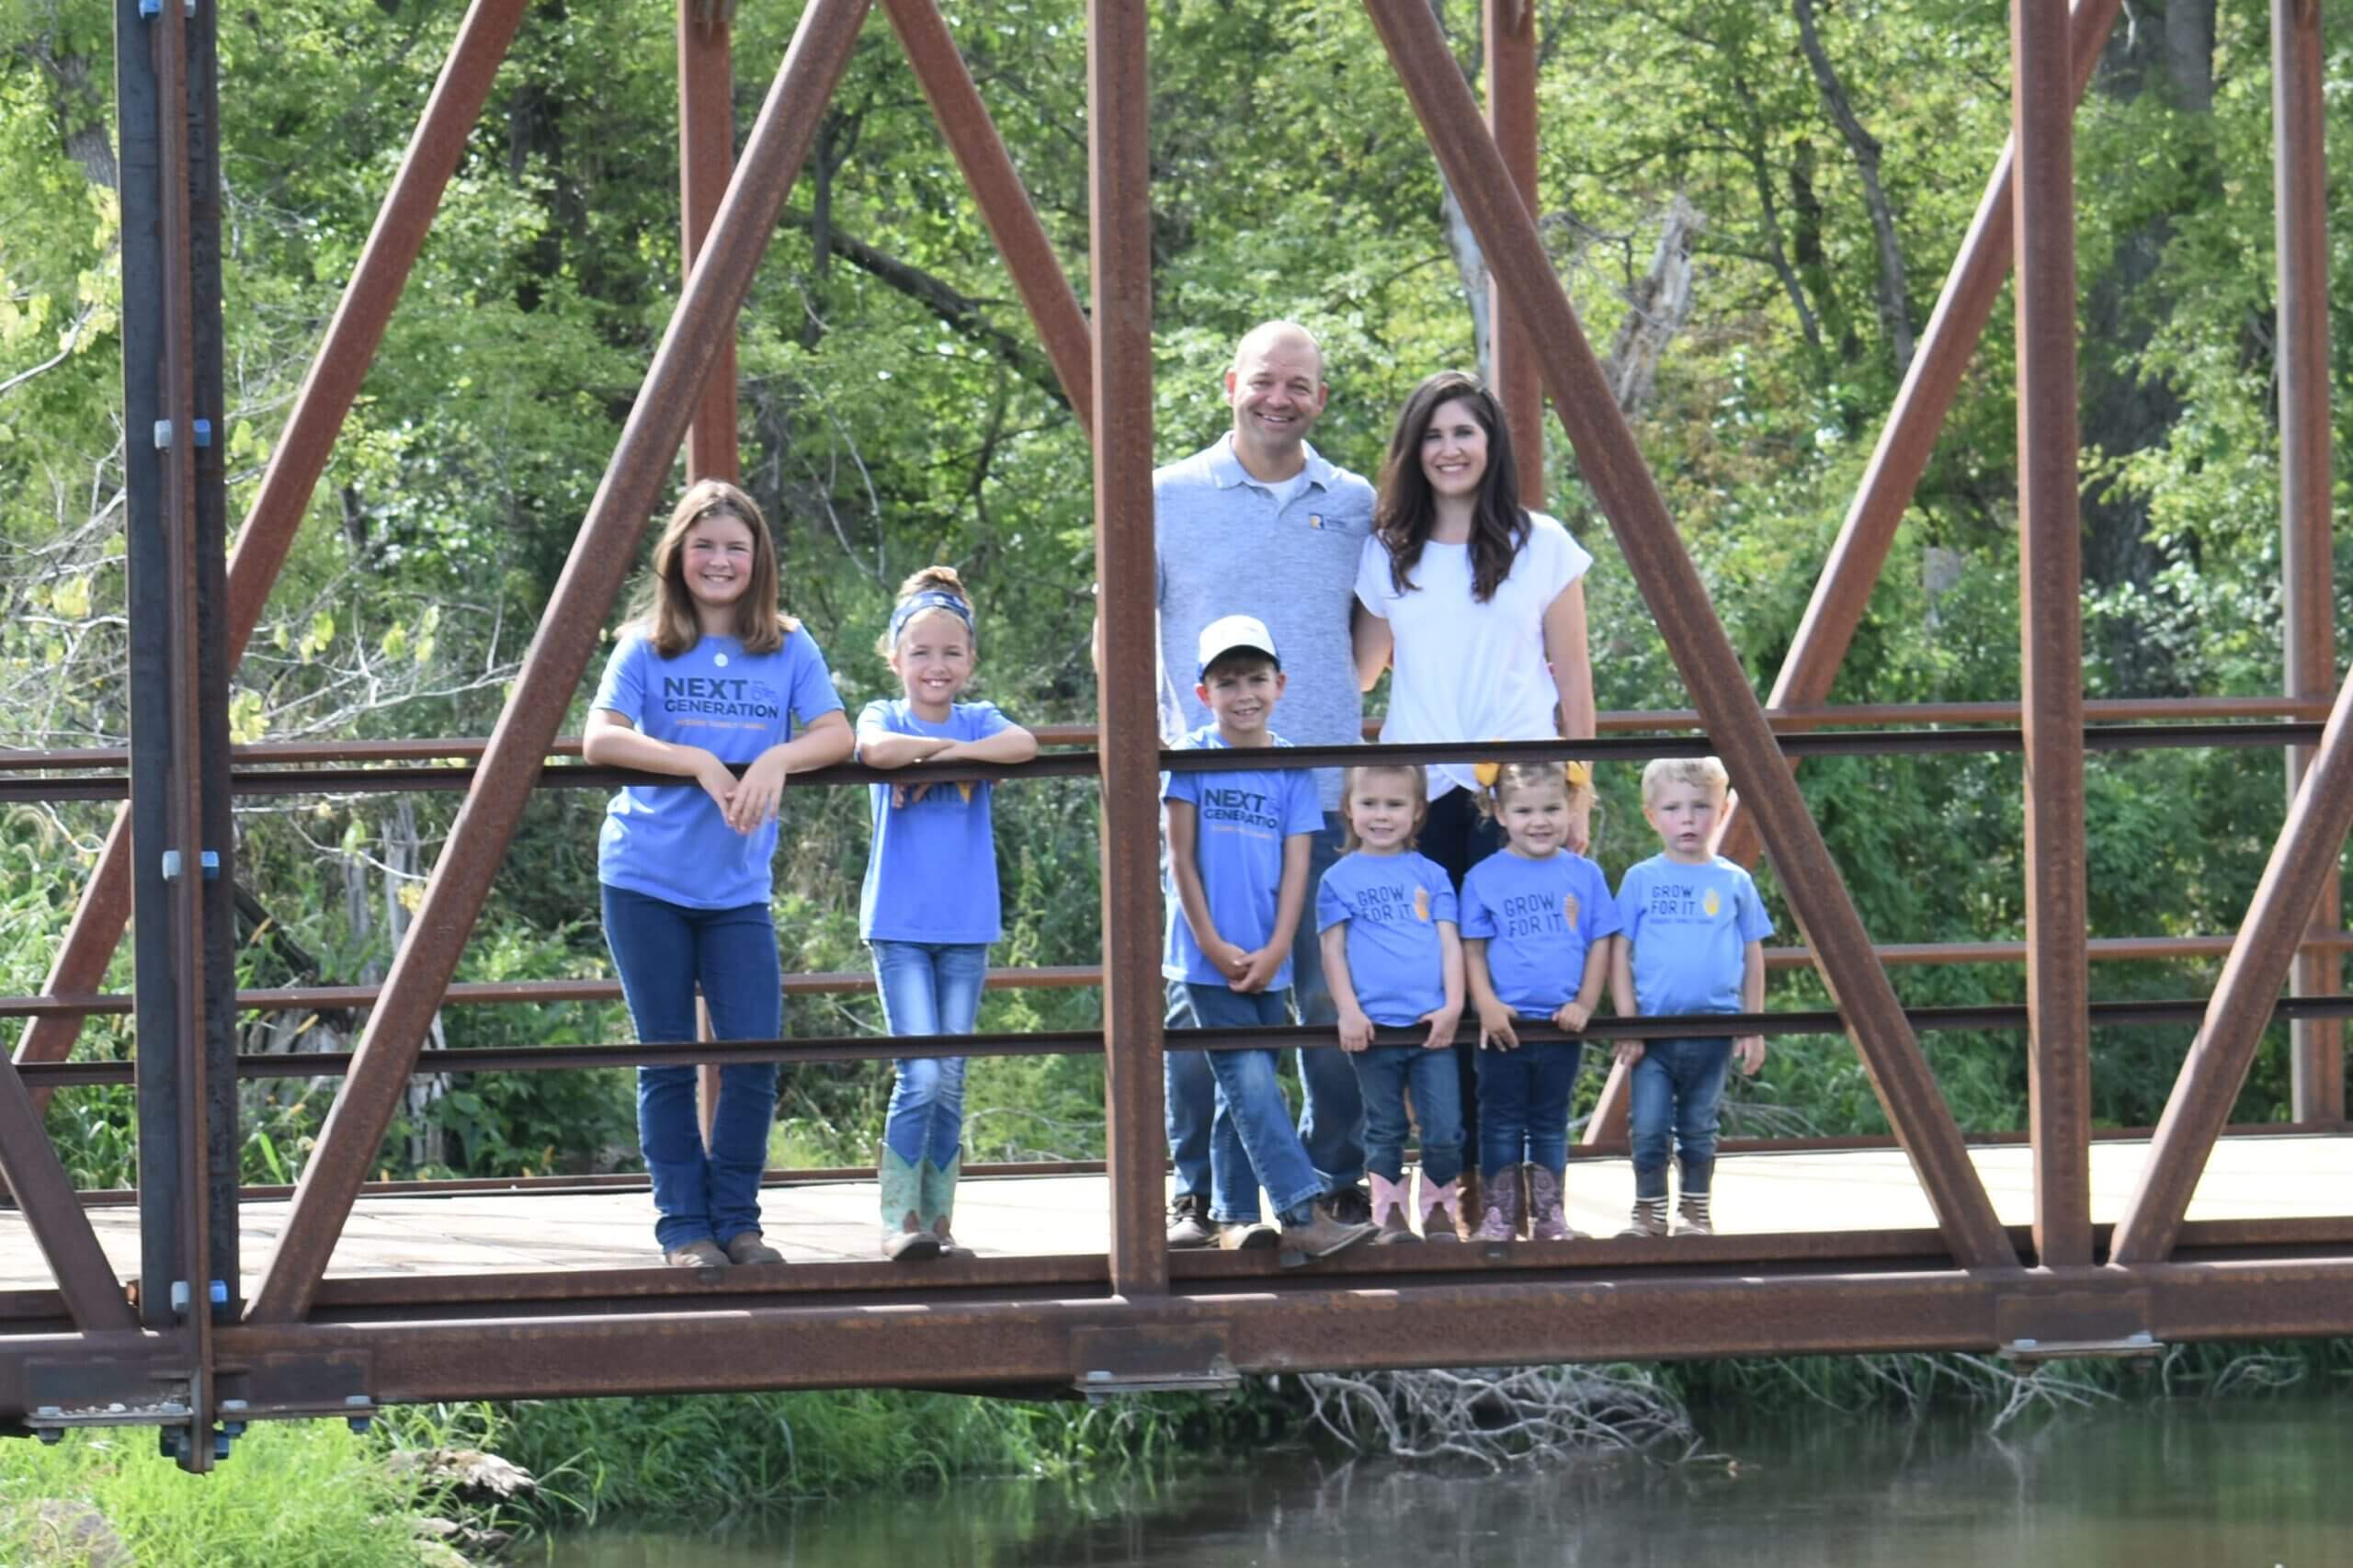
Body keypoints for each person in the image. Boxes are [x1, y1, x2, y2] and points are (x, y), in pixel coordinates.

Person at [1142, 320, 1379, 1245]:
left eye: (1301, 386)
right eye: (1265, 381)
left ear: (1320, 399)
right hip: (1200, 787)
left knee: (1323, 993)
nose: (1279, 399)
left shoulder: (1351, 500)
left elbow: (1379, 621)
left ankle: (1333, 1176)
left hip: (1316, 784)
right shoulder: (1164, 494)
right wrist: (1147, 755)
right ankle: (1196, 1182)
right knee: (1196, 991)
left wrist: (1332, 697)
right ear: (1231, 380)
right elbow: (1119, 628)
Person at [584, 479, 854, 1269]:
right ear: (678, 555)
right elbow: (601, 737)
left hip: (736, 890)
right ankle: (684, 1231)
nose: (720, 560)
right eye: (704, 545)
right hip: (645, 881)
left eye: (736, 547)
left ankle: (738, 1221)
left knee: (752, 1056)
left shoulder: (788, 645)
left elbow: (834, 733)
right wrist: (698, 760)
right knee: (666, 1056)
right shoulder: (646, 644)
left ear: (758, 558)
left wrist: (777, 754)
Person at [1353, 369, 1597, 1233]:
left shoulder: (1543, 544)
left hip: (1519, 792)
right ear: (1413, 453)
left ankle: (1517, 1188)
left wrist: (1581, 791)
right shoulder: (1389, 548)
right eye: (1432, 436)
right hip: (1427, 794)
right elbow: (1363, 669)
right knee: (1432, 985)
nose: (1449, 449)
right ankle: (1445, 1180)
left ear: (1491, 447)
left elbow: (1572, 671)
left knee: (1522, 981)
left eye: (1465, 433)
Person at [1162, 615, 1378, 1261]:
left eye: (1256, 678)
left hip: (1269, 954)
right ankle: (1299, 1211)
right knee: (1249, 1078)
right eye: (1227, 682)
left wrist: (1282, 945)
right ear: (1204, 695)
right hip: (1206, 958)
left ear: (1280, 684)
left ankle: (1233, 1214)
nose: (1244, 693)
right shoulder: (1192, 760)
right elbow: (1180, 863)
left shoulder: (1290, 769)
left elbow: (1296, 869)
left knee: (1247, 1080)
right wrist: (1211, 942)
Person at [857, 566, 1040, 1262]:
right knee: (922, 1074)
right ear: (896, 657)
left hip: (966, 924)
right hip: (900, 924)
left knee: (953, 1074)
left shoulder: (980, 720)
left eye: (951, 653)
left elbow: (1021, 746)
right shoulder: (884, 714)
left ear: (970, 662)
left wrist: (945, 757)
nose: (937, 666)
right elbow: (875, 752)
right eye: (922, 653)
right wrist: (958, 762)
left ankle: (938, 1223)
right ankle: (898, 1216)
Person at [1609, 756, 1772, 1239]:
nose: (1687, 819)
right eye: (1674, 808)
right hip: (1652, 1033)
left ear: (1722, 811)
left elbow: (1752, 954)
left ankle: (1695, 1211)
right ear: (1651, 815)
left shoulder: (1733, 881)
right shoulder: (1642, 878)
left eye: (1701, 807)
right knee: (1650, 1128)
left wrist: (1753, 1025)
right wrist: (1626, 1022)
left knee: (1699, 1128)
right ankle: (1648, 1212)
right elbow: (1620, 951)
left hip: (1713, 1028)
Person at [1460, 761, 1621, 1243]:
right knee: (1501, 1121)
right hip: (1504, 1025)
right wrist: (1485, 1002)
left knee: (1550, 1122)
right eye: (1524, 810)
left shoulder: (1584, 875)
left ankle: (1550, 1216)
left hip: (1560, 1025)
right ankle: (1500, 1216)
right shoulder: (1484, 877)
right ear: (1500, 813)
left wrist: (1586, 1004)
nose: (1540, 821)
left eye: (1551, 808)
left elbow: (1601, 941)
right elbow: (1472, 947)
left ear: (1571, 809)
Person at [1317, 763, 1468, 1244]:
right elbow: (1333, 950)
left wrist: (1453, 1007)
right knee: (1384, 1128)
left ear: (1417, 811)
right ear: (1349, 809)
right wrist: (1349, 1011)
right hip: (1375, 1028)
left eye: (1395, 805)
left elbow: (1450, 944)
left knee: (1444, 1126)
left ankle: (1440, 1205)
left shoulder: (1433, 874)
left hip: (1432, 1027)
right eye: (1370, 804)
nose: (1381, 816)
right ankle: (1390, 1214)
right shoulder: (1338, 878)